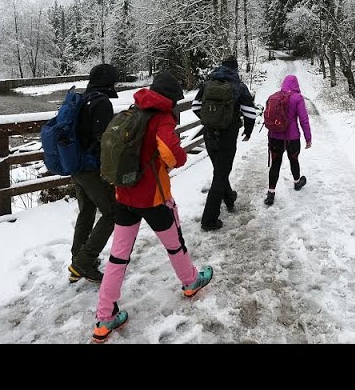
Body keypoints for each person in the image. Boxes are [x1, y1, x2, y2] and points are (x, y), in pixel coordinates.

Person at [92, 71, 213, 343]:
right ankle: (191, 282)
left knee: (118, 257)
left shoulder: (135, 110)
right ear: (170, 99)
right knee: (174, 244)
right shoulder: (162, 118)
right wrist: (177, 159)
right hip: (153, 199)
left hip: (124, 195)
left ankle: (104, 317)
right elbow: (172, 153)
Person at [191, 55, 258, 231]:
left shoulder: (207, 84)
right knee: (220, 175)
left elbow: (195, 107)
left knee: (220, 170)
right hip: (228, 136)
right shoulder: (239, 86)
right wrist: (247, 131)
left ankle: (229, 198)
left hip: (209, 135)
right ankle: (209, 220)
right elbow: (251, 113)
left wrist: (209, 121)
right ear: (235, 69)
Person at [68, 64, 119, 284]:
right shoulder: (101, 103)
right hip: (91, 168)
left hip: (76, 165)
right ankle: (84, 262)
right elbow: (104, 141)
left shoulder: (83, 99)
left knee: (87, 212)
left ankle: (77, 261)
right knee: (112, 213)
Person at [264, 74, 312, 206]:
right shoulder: (298, 98)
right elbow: (304, 120)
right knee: (294, 160)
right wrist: (308, 138)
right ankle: (297, 183)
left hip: (275, 137)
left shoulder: (274, 96)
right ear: (296, 85)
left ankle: (271, 193)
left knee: (275, 164)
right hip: (292, 138)